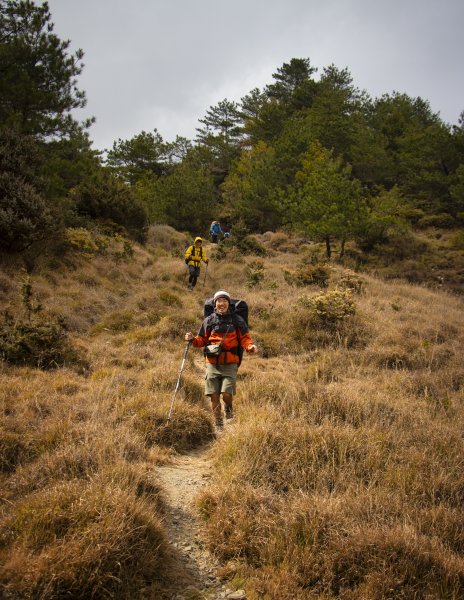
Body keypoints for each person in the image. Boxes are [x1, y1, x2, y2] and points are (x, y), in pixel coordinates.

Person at [184, 290, 258, 428]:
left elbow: (245, 339)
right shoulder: (209, 320)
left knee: (226, 394)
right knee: (213, 395)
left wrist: (250, 347)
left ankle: (229, 411)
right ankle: (218, 422)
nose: (221, 303)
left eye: (224, 301)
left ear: (228, 303)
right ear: (215, 304)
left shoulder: (237, 320)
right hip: (212, 363)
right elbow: (201, 340)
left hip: (230, 362)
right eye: (219, 301)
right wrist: (192, 339)